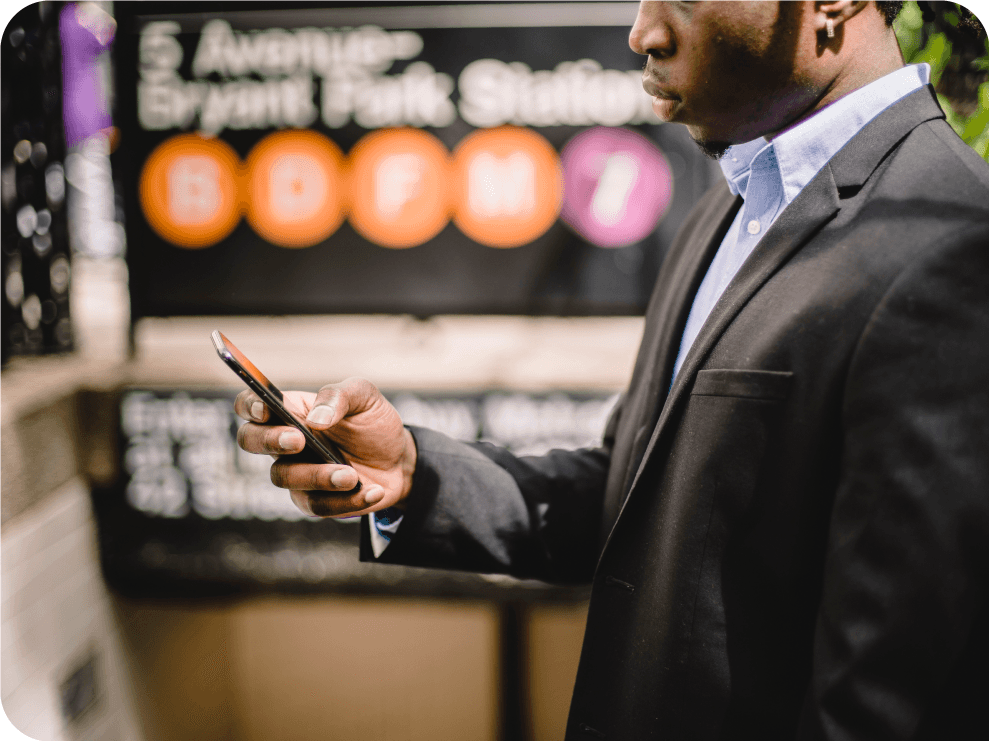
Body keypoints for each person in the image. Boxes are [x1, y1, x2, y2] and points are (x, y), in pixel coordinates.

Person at [235, 1, 989, 738]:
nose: (642, 31)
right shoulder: (728, 209)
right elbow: (638, 499)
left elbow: (888, 687)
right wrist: (411, 475)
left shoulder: (947, 249)